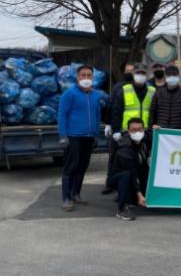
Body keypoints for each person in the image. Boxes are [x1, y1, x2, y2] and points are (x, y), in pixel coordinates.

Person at [58, 65, 106, 211]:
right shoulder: (69, 94)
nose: (86, 78)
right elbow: (62, 115)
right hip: (73, 136)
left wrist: (96, 134)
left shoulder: (96, 95)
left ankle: (75, 194)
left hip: (89, 137)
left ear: (92, 77)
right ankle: (66, 198)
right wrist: (63, 135)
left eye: (89, 75)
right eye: (83, 75)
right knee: (70, 167)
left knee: (82, 166)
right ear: (77, 77)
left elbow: (97, 115)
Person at [102, 60, 135, 195]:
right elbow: (111, 106)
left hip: (137, 129)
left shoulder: (142, 87)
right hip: (120, 128)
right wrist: (109, 124)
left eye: (132, 71)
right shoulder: (118, 87)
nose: (130, 73)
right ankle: (110, 183)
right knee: (114, 157)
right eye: (128, 71)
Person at [107, 117, 149, 221]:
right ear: (128, 131)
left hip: (137, 173)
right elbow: (132, 173)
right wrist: (139, 194)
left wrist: (157, 129)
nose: (137, 132)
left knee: (146, 169)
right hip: (118, 177)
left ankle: (134, 198)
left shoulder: (144, 140)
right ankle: (122, 208)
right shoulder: (125, 147)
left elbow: (154, 135)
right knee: (126, 175)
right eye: (134, 130)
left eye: (140, 129)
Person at [111, 63, 156, 141]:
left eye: (143, 73)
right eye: (138, 73)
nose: (140, 75)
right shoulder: (124, 90)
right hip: (127, 132)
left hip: (146, 133)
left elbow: (156, 112)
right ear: (133, 74)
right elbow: (116, 112)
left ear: (147, 75)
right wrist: (116, 130)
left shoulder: (153, 91)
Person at [150, 65, 181, 130]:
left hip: (178, 133)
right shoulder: (158, 94)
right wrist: (151, 131)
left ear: (178, 77)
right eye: (169, 75)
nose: (172, 78)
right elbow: (152, 116)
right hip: (161, 132)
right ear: (165, 77)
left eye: (174, 75)